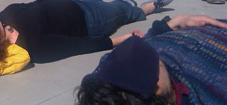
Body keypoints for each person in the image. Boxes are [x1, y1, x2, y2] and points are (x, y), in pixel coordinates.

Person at [0, 0, 175, 64]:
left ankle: (121, 2)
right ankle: (149, 7)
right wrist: (120, 41)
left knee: (108, 5)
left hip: (77, 5)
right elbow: (77, 46)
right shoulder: (33, 46)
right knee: (122, 13)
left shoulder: (2, 24)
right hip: (91, 21)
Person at [77, 15, 227, 105]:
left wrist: (172, 23)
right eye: (141, 67)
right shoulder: (215, 90)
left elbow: (146, 41)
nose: (129, 49)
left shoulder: (106, 84)